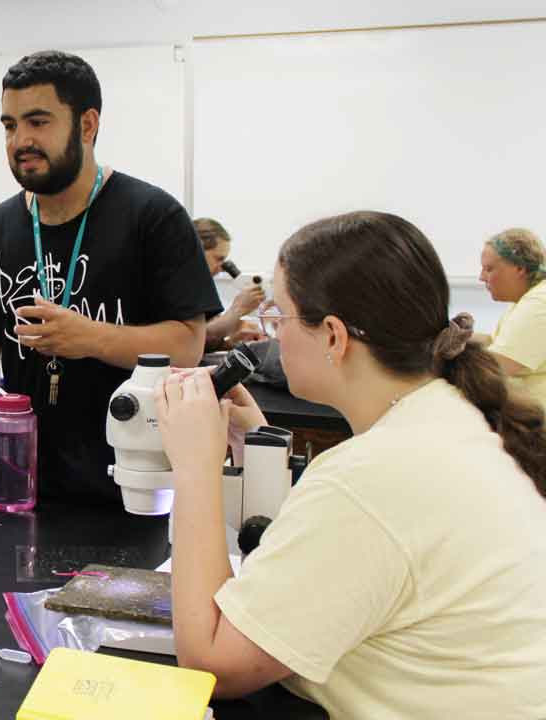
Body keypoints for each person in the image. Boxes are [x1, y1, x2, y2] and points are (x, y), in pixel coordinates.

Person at [154, 211, 546, 718]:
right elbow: (360, 542)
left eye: (282, 317)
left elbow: (212, 663)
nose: (274, 333)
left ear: (334, 336)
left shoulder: (369, 479)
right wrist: (260, 439)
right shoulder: (450, 419)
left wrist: (194, 469)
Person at [0, 50, 222, 502]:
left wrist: (88, 337)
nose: (20, 141)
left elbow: (187, 346)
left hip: (135, 484)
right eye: (10, 126)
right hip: (21, 480)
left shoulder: (153, 217)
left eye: (38, 122)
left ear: (87, 125)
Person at [477, 227, 546, 408]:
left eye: (489, 269)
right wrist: (449, 333)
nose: (481, 277)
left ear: (519, 268)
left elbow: (496, 367)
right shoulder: (525, 301)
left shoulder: (540, 304)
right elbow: (496, 342)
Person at [196, 217, 265, 350]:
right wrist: (238, 309)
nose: (222, 267)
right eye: (219, 258)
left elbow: (205, 342)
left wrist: (233, 341)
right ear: (197, 250)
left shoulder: (203, 288)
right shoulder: (178, 287)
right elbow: (196, 336)